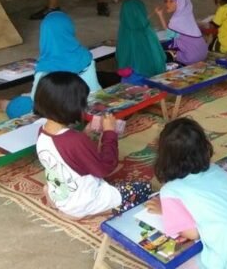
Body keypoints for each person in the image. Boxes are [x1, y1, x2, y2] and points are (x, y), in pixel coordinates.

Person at [147, 118, 227, 269]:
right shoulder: (216, 169)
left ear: (164, 157)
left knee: (177, 262)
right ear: (205, 146)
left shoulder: (170, 191)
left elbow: (192, 234)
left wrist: (163, 210)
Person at [34, 72, 151, 218]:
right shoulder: (75, 141)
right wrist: (110, 133)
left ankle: (59, 202)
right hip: (84, 201)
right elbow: (104, 168)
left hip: (61, 193)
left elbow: (66, 152)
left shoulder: (42, 131)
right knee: (144, 189)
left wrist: (85, 133)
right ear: (70, 106)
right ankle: (86, 212)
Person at [4, 11, 101, 118]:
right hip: (92, 101)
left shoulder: (46, 66)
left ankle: (5, 105)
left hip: (61, 112)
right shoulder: (85, 55)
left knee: (15, 105)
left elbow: (38, 99)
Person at [154, 0, 208, 65]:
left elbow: (169, 37)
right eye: (166, 1)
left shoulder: (176, 20)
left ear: (180, 2)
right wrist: (160, 15)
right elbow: (171, 33)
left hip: (190, 58)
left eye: (171, 1)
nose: (167, 4)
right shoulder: (187, 15)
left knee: (159, 49)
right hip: (203, 53)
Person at [116, 0, 167, 78]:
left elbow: (123, 65)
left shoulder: (125, 33)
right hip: (158, 75)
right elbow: (161, 56)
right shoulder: (148, 30)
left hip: (137, 79)